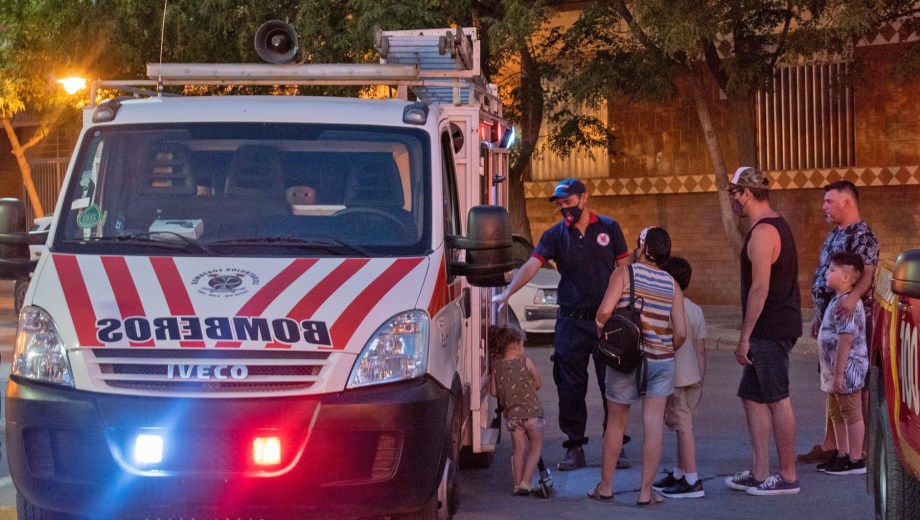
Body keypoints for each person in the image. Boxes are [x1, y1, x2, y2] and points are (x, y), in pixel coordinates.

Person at [493, 178, 630, 471]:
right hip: (571, 320)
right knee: (570, 387)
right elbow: (532, 264)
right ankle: (575, 447)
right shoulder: (555, 235)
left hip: (607, 321)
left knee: (613, 385)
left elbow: (624, 270)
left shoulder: (609, 228)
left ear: (583, 199)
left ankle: (615, 445)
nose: (563, 209)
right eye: (559, 205)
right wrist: (508, 292)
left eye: (568, 203)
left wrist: (627, 308)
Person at [588, 227, 687, 506]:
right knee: (653, 424)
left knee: (617, 423)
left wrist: (605, 337)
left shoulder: (624, 274)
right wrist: (664, 349)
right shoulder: (672, 284)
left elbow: (604, 312)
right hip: (660, 362)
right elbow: (680, 332)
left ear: (643, 248)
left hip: (625, 360)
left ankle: (605, 487)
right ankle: (646, 493)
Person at [722, 166, 803, 496]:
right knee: (752, 397)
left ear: (746, 194)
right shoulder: (764, 226)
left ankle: (787, 476)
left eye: (733, 193)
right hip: (768, 329)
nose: (731, 200)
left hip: (771, 329)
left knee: (777, 400)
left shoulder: (764, 232)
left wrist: (744, 336)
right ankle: (759, 472)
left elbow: (759, 289)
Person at [798, 180, 879, 465]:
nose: (824, 207)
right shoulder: (834, 235)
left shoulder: (863, 235)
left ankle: (861, 449)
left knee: (854, 387)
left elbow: (867, 273)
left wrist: (852, 298)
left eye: (829, 201)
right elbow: (824, 275)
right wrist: (820, 316)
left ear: (848, 202)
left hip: (851, 324)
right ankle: (833, 444)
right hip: (831, 321)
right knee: (832, 384)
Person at [654, 256, 707, 499]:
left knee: (683, 427)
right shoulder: (695, 309)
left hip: (674, 378)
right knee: (681, 426)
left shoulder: (666, 309)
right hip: (692, 376)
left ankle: (692, 479)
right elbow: (700, 349)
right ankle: (679, 472)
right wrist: (700, 379)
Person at [814, 252, 869, 475]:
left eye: (832, 270)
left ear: (846, 277)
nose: (827, 273)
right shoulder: (837, 300)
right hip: (832, 370)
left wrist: (839, 375)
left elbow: (845, 340)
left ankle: (856, 458)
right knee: (836, 413)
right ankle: (842, 453)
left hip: (846, 371)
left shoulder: (848, 305)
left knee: (851, 413)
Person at [489, 324, 546, 495]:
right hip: (532, 414)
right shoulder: (525, 361)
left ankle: (516, 484)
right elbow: (538, 383)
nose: (523, 348)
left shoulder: (497, 367)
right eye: (522, 344)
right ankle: (526, 482)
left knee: (518, 449)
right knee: (535, 446)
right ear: (515, 345)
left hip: (512, 417)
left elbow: (493, 392)